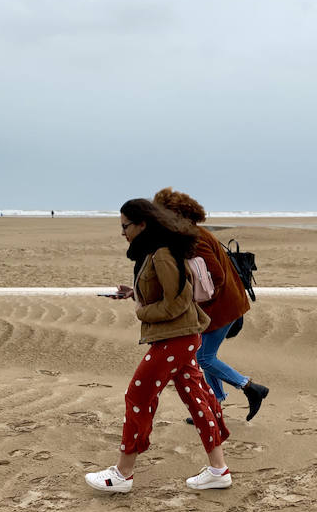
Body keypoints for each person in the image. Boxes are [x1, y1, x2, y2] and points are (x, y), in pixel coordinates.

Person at [85, 198, 232, 494]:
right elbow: (166, 292)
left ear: (142, 224)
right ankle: (219, 470)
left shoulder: (162, 254)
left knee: (137, 395)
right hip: (182, 337)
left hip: (176, 338)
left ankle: (123, 474)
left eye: (125, 226)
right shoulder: (155, 252)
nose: (122, 232)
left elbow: (177, 301)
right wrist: (134, 294)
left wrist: (142, 312)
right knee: (197, 399)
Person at [153, 188, 269, 421]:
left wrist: (196, 303)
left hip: (222, 307)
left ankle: (250, 388)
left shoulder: (194, 239)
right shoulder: (193, 234)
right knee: (203, 355)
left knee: (204, 358)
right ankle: (214, 404)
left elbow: (216, 276)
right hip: (224, 304)